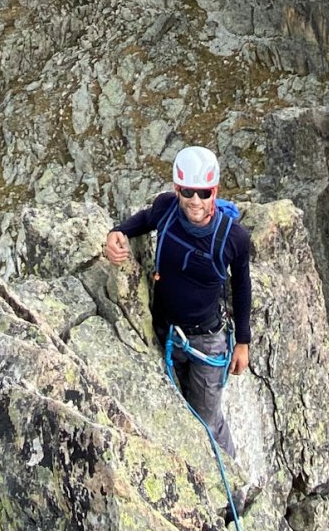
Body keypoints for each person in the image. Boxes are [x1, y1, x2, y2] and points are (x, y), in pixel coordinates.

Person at [103, 145, 251, 457]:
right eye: (187, 192)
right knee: (178, 415)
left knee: (207, 421)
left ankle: (231, 491)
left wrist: (242, 343)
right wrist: (117, 233)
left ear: (215, 191)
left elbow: (242, 286)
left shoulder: (233, 237)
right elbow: (144, 219)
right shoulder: (166, 208)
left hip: (207, 341)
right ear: (176, 189)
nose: (195, 201)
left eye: (203, 192)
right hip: (166, 333)